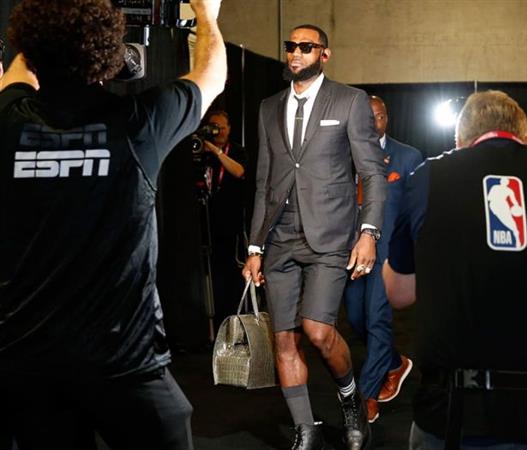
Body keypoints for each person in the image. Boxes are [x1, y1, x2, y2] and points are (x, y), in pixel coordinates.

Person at [0, 0, 226, 449]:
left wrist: (44, 30)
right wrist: (206, 14)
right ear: (108, 51)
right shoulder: (140, 122)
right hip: (125, 363)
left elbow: (16, 75)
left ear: (31, 48)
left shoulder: (9, 120)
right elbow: (212, 76)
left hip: (30, 364)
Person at [383, 90, 527, 449]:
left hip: (460, 409)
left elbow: (399, 293)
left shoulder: (428, 177)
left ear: (459, 140)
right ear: (525, 138)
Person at [242, 24, 387, 450]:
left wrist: (368, 232)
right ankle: (306, 430)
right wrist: (254, 246)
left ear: (324, 54)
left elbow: (372, 173)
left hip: (330, 235)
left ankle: (351, 403)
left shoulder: (349, 100)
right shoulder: (269, 107)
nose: (295, 53)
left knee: (318, 331)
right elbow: (264, 181)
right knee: (284, 339)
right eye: (291, 46)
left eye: (306, 47)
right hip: (279, 237)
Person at [344, 95, 421, 423]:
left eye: (377, 116)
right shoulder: (343, 154)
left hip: (387, 252)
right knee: (356, 318)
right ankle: (394, 362)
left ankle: (367, 395)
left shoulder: (408, 157)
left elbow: (416, 208)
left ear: (386, 119)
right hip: (352, 251)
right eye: (366, 116)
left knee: (376, 319)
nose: (372, 122)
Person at [196, 110, 248, 325]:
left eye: (221, 127)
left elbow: (239, 171)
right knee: (211, 276)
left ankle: (234, 321)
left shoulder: (235, 150)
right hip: (206, 223)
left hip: (230, 223)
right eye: (213, 127)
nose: (217, 131)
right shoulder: (202, 150)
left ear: (229, 129)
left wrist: (216, 151)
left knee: (231, 275)